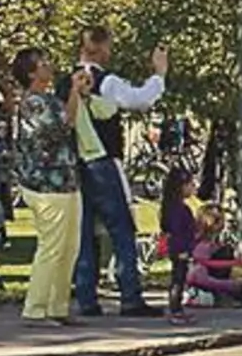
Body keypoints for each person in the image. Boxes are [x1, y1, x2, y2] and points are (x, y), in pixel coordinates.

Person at [62, 26, 169, 317]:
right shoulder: (105, 81)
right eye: (108, 46)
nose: (111, 52)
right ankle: (130, 295)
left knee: (83, 231)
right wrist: (158, 74)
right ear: (98, 46)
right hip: (102, 161)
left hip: (74, 165)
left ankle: (86, 296)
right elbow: (139, 99)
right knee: (121, 228)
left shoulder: (63, 82)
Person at [10, 48, 90, 327]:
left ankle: (58, 306)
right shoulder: (34, 103)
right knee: (51, 246)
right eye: (43, 64)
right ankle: (35, 309)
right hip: (45, 184)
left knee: (69, 247)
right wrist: (74, 93)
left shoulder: (49, 99)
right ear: (31, 73)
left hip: (65, 181)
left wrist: (75, 93)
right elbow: (61, 127)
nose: (49, 66)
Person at [187, 204, 242, 307]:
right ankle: (214, 297)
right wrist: (235, 264)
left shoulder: (215, 242)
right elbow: (206, 267)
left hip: (212, 280)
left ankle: (220, 297)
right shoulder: (203, 244)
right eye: (220, 220)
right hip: (205, 283)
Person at [158, 167, 198, 325]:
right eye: (190, 184)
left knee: (180, 278)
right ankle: (175, 309)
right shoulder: (178, 209)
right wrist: (182, 249)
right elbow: (176, 231)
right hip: (180, 248)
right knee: (178, 280)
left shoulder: (176, 207)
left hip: (183, 247)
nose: (193, 187)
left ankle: (177, 308)